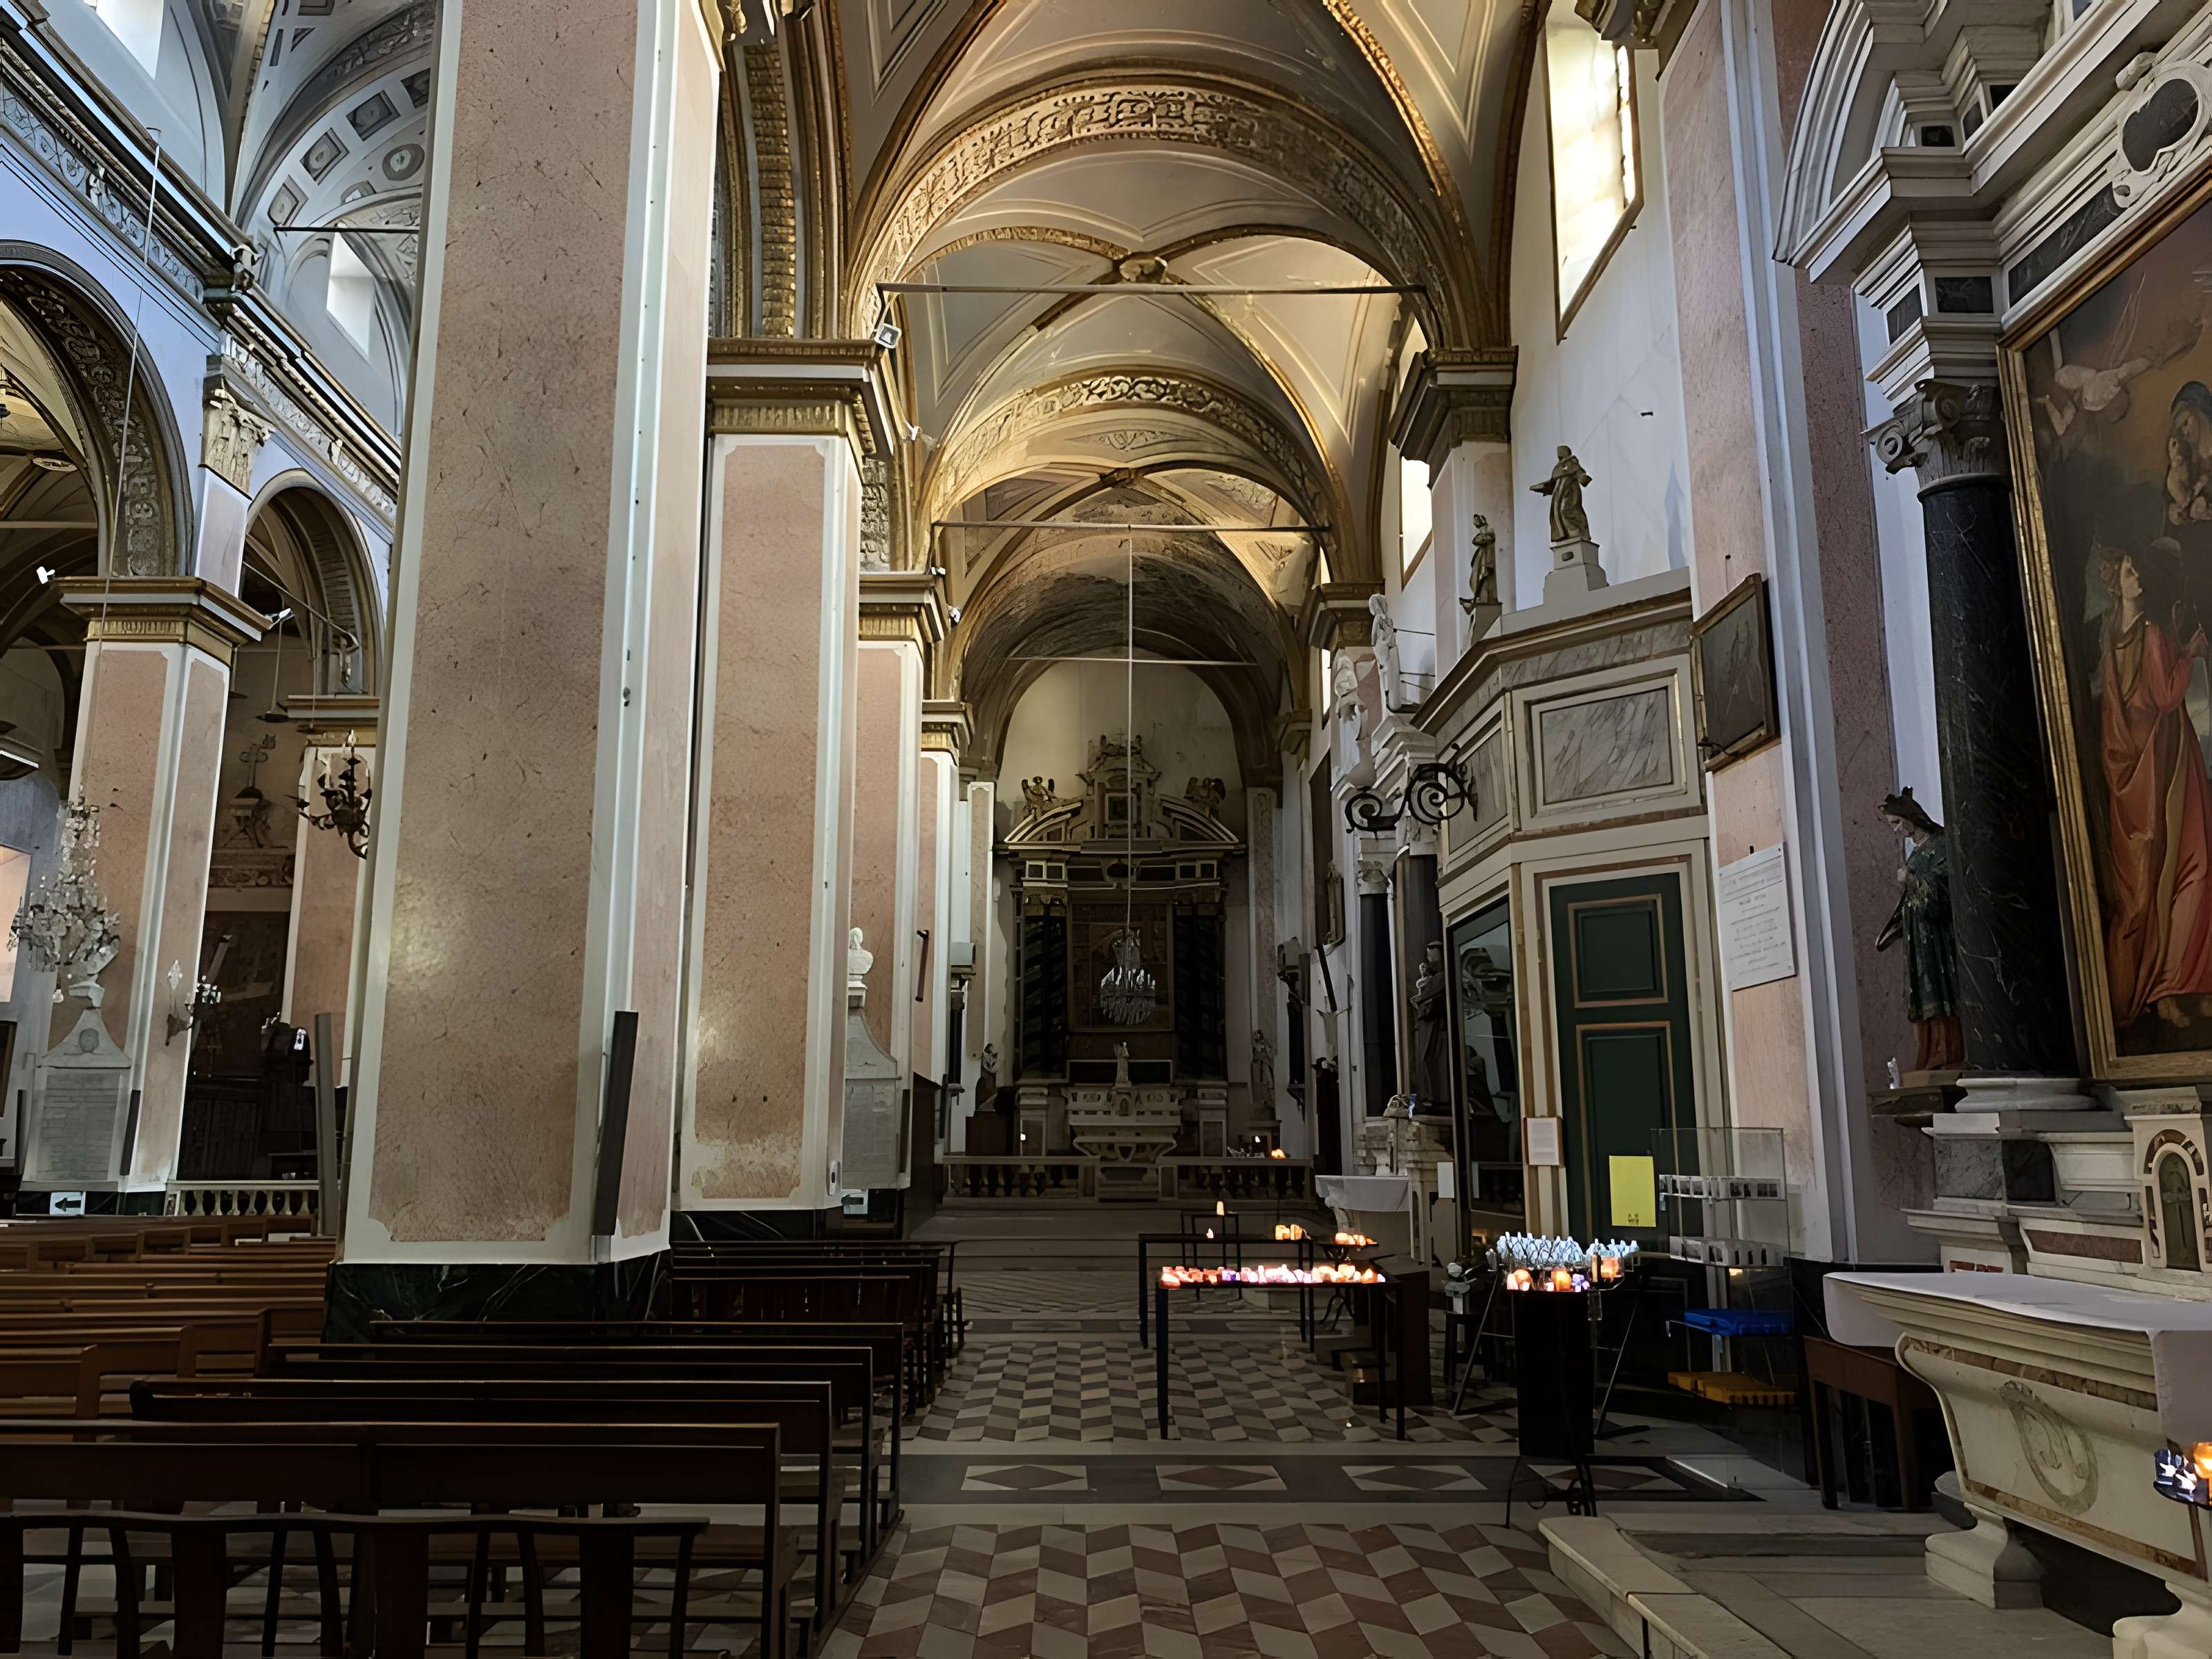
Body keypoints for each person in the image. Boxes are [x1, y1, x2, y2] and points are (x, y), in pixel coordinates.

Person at [2094, 542, 2212, 1030]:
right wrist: (2192, 653)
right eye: (2128, 572)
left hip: (2133, 776)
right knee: (2194, 867)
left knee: (2163, 880)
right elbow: (2166, 695)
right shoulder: (2151, 634)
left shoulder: (2110, 638)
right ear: (2115, 583)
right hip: (2165, 770)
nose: (2136, 578)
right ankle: (2175, 983)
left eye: (2137, 571)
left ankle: (2187, 984)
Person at [1875, 789, 1962, 1071]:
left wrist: (1911, 879)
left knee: (1937, 986)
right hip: (1918, 934)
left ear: (1911, 818)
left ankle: (1946, 1051)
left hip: (1936, 936)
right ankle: (1927, 1053)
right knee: (1921, 988)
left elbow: (1945, 891)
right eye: (1893, 827)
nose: (1898, 830)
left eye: (1898, 823)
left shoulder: (1940, 845)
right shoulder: (1916, 853)